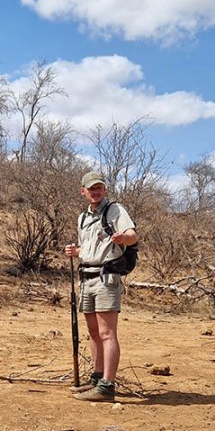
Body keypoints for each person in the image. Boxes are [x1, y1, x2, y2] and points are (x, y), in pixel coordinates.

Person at [64, 171, 138, 403]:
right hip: (86, 277)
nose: (96, 191)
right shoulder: (83, 218)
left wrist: (122, 239)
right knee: (94, 334)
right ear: (83, 191)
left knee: (107, 333)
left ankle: (107, 386)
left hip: (106, 278)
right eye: (91, 188)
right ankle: (96, 379)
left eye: (99, 187)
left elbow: (132, 235)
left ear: (105, 189)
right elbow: (88, 248)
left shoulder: (115, 210)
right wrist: (75, 252)